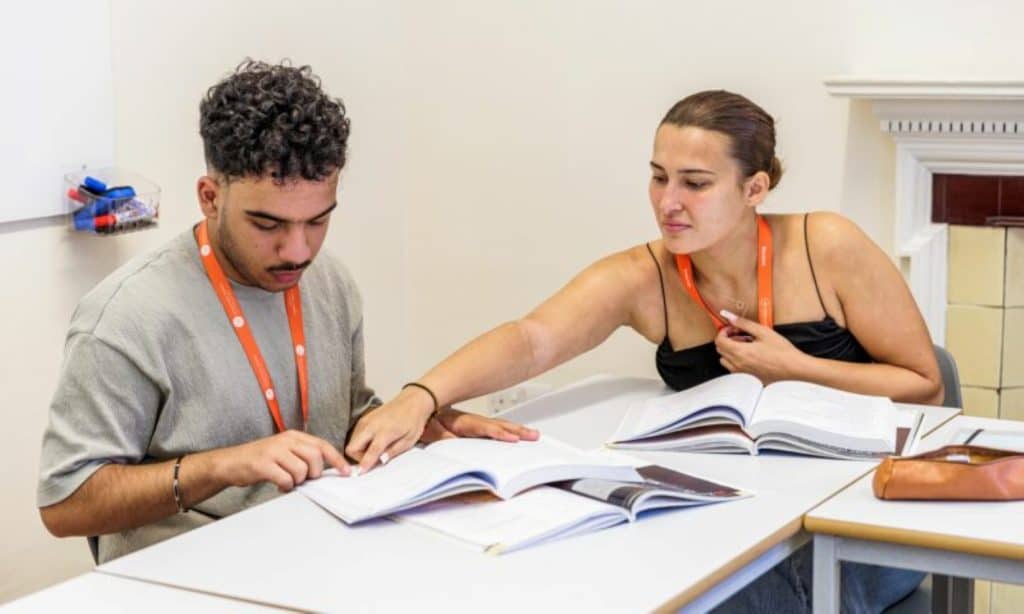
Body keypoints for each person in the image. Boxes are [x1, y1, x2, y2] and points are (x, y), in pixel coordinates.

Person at [348, 90, 942, 612]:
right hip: (737, 516)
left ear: (754, 188)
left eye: (695, 183)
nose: (667, 202)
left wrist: (795, 369)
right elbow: (532, 339)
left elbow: (924, 384)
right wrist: (421, 396)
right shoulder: (645, 276)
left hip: (857, 523)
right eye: (659, 177)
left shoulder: (826, 245)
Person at [37, 60, 534, 564]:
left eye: (317, 221)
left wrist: (420, 426)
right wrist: (219, 467)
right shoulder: (125, 318)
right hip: (189, 577)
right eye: (267, 224)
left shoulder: (330, 281)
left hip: (316, 555)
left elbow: (340, 420)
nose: (297, 251)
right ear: (210, 198)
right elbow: (64, 504)